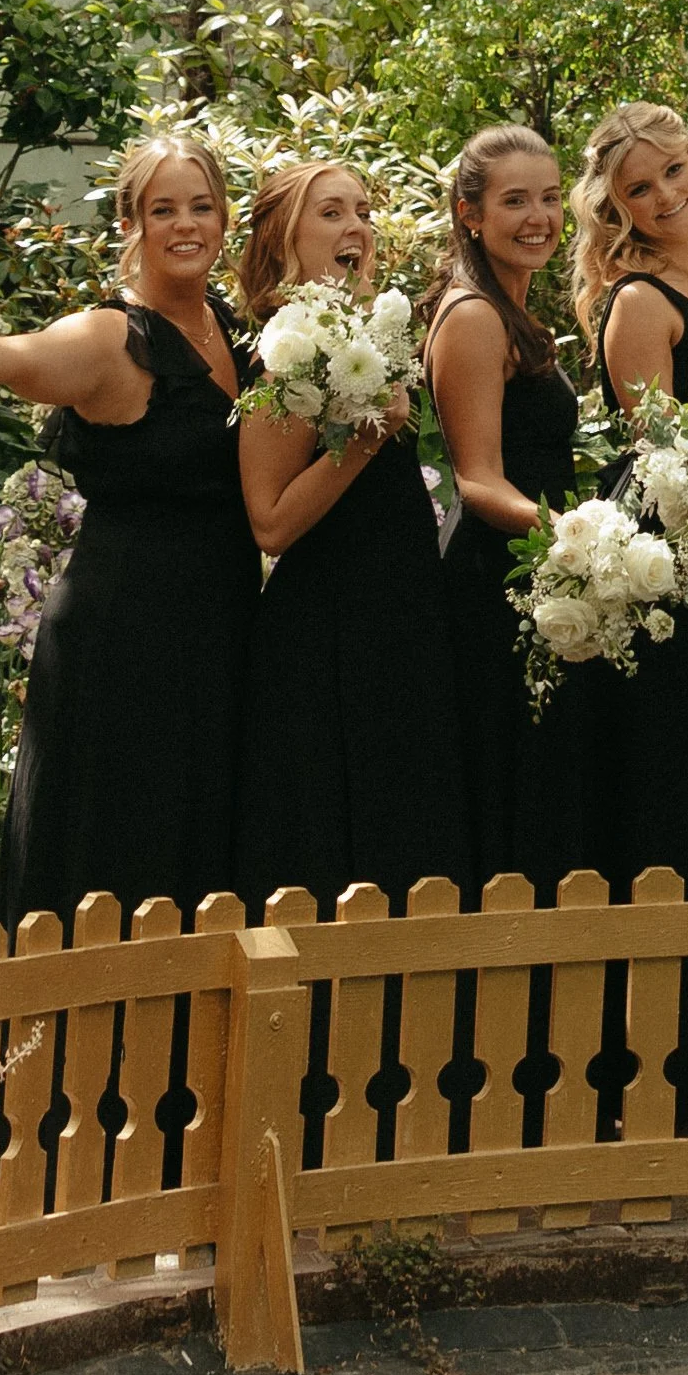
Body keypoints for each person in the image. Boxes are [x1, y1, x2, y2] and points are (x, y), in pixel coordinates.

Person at [0, 137, 257, 931]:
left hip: (219, 624)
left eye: (201, 206)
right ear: (131, 224)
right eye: (163, 209)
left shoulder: (230, 324)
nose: (186, 225)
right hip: (127, 629)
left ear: (225, 216)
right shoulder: (110, 336)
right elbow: (12, 358)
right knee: (118, 843)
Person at [235, 159, 468, 914]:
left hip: (399, 612)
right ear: (284, 236)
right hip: (329, 628)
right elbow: (269, 522)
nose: (357, 227)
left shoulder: (367, 330)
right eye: (331, 213)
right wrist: (364, 441)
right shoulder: (287, 345)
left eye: (363, 211)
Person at [571, 101, 688, 894]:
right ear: (618, 212)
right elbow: (661, 448)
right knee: (681, 763)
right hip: (675, 559)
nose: (665, 196)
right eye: (639, 190)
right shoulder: (641, 300)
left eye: (673, 170)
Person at [426, 125, 596, 896]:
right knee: (510, 786)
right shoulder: (473, 317)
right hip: (497, 578)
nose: (539, 217)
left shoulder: (515, 309)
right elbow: (478, 481)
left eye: (551, 198)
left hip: (538, 566)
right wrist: (580, 536)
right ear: (470, 214)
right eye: (515, 200)